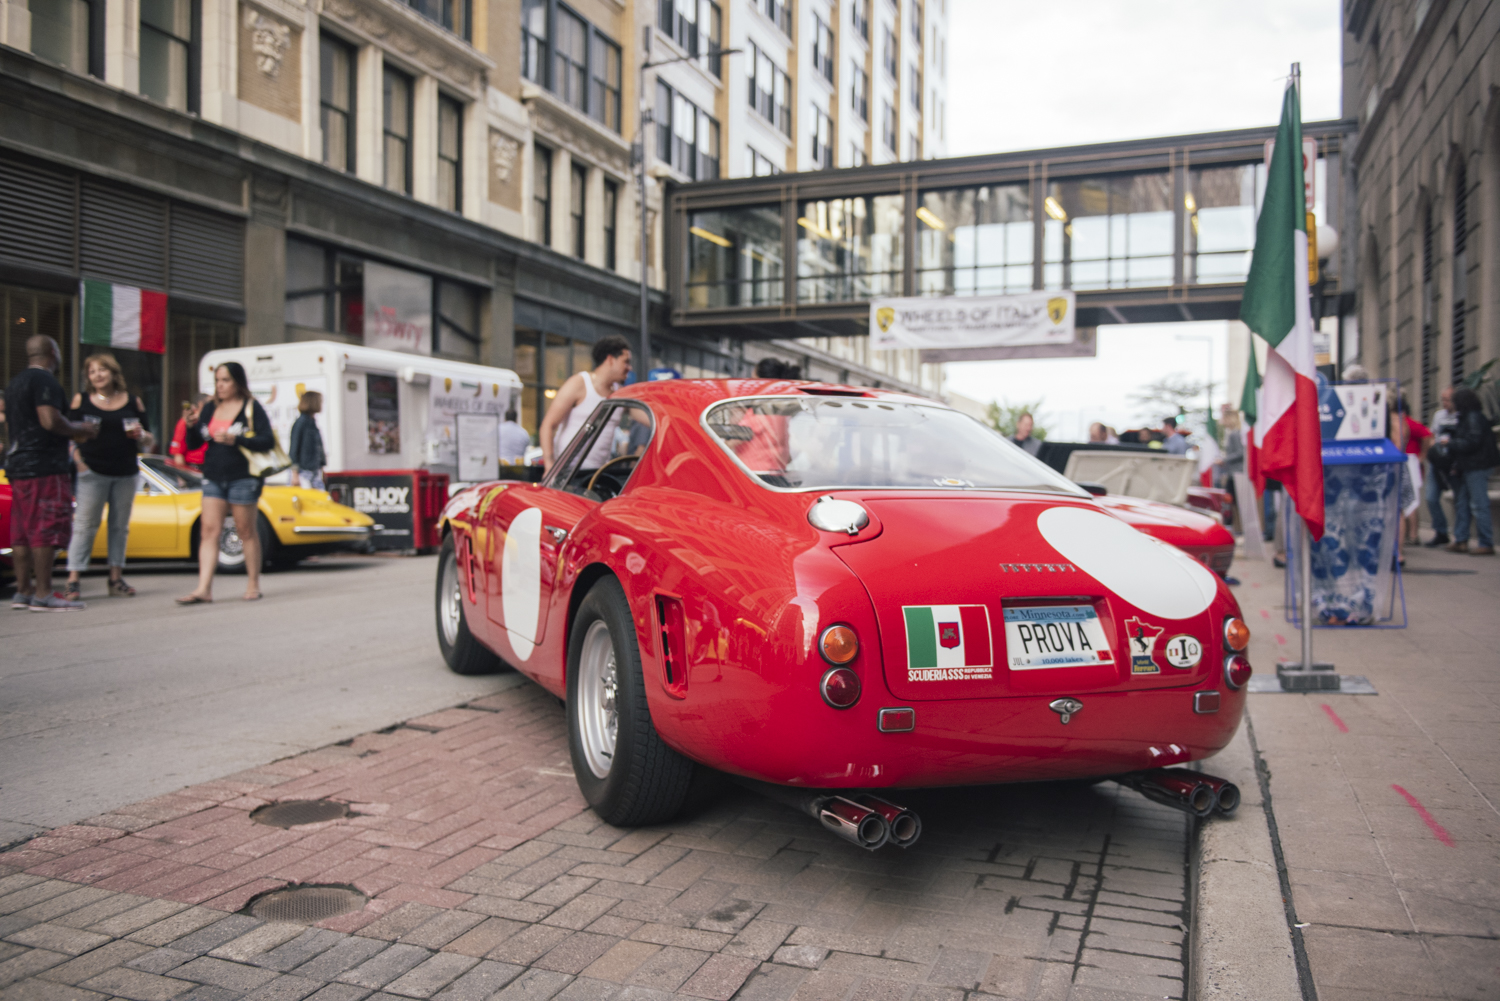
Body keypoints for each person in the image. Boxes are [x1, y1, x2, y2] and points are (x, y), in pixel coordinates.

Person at [5, 335, 99, 611]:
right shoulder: (44, 381)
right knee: (46, 527)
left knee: (22, 532)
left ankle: (23, 591)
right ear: (53, 353)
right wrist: (79, 429)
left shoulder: (14, 383)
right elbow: (49, 420)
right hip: (44, 466)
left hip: (18, 465)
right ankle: (44, 593)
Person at [176, 362, 275, 604]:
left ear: (238, 382)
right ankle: (203, 588)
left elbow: (267, 441)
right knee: (209, 531)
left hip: (243, 476)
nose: (220, 385)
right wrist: (190, 426)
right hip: (213, 475)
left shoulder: (251, 407)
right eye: (218, 380)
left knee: (245, 531)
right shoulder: (209, 408)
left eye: (225, 380)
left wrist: (237, 439)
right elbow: (195, 442)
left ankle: (253, 583)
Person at [64, 352, 155, 600]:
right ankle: (73, 580)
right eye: (92, 372)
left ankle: (115, 578)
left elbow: (149, 440)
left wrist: (142, 436)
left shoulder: (132, 401)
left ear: (114, 373)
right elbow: (68, 436)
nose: (97, 375)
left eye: (102, 370)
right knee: (85, 525)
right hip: (92, 472)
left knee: (119, 527)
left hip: (125, 472)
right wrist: (80, 463)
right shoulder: (81, 400)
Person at [538, 336, 632, 472]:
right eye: (626, 362)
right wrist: (549, 465)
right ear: (611, 359)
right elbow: (548, 425)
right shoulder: (579, 383)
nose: (629, 367)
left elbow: (647, 415)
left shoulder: (619, 393)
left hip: (598, 474)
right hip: (567, 472)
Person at [1442, 387, 1497, 555]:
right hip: (1471, 465)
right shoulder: (1470, 417)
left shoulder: (1472, 417)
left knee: (1477, 504)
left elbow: (1472, 442)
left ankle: (1485, 542)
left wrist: (1450, 443)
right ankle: (1461, 540)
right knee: (1463, 502)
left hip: (1477, 465)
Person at [1424, 386, 1459, 547]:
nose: (1444, 403)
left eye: (1447, 400)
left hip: (1454, 462)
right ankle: (1441, 531)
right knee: (1431, 497)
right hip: (1438, 462)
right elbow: (1432, 435)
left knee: (1460, 499)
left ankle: (1460, 536)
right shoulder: (1439, 416)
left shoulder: (1461, 416)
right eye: (1443, 400)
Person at [1394, 397, 1431, 546]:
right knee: (1407, 501)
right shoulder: (1400, 422)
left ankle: (1414, 534)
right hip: (1405, 460)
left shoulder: (1407, 423)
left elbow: (1427, 435)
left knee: (1410, 500)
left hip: (1409, 461)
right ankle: (1410, 534)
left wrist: (1422, 456)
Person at [288, 390, 327, 489]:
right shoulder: (301, 423)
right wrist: (295, 474)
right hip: (303, 472)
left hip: (314, 471)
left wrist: (321, 468)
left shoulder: (312, 422)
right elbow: (294, 449)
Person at [168, 393, 210, 469]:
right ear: (200, 405)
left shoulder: (210, 420)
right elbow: (178, 453)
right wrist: (182, 478)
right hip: (194, 467)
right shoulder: (185, 422)